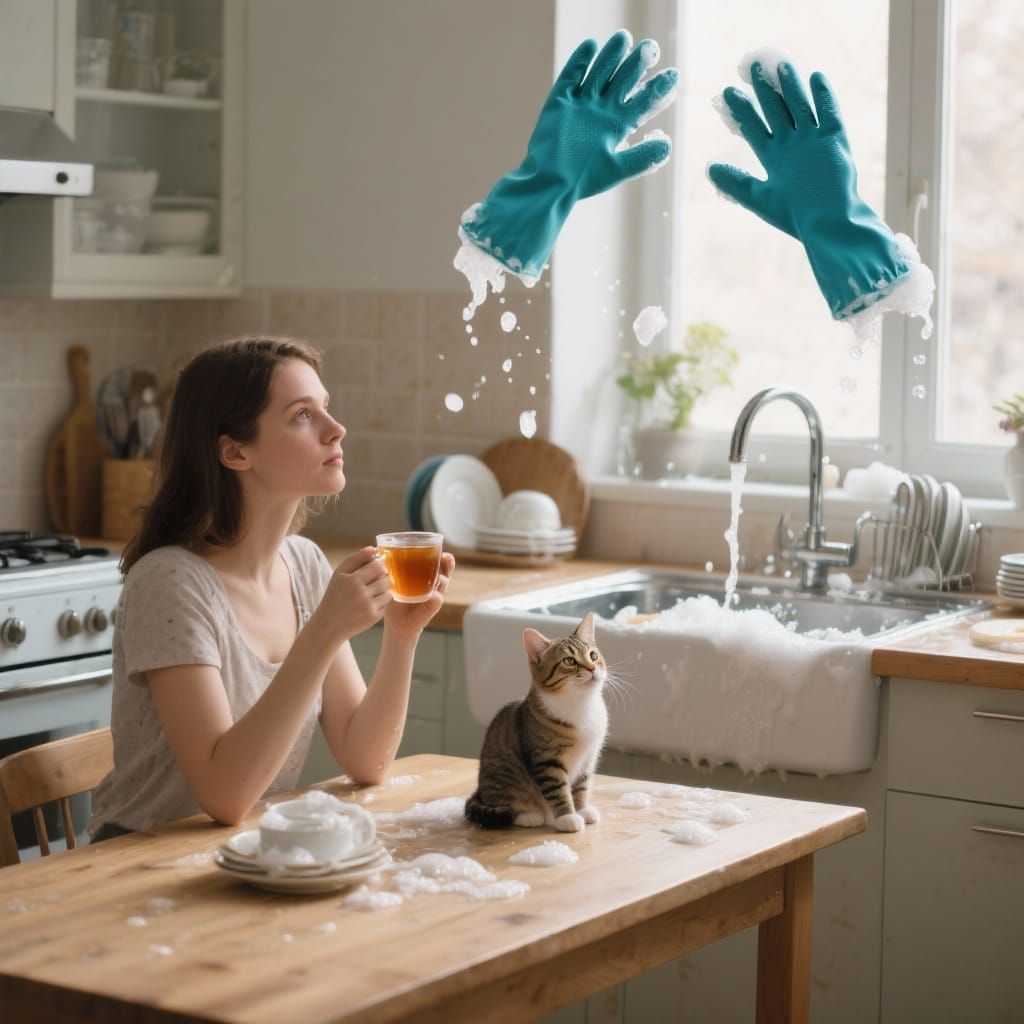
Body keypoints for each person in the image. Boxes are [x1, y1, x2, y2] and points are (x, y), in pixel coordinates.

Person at [89, 336, 454, 841]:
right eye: (303, 415)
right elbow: (224, 795)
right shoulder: (170, 583)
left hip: (235, 852)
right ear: (236, 451)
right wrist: (324, 631)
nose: (336, 429)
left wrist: (402, 633)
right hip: (131, 864)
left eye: (324, 408)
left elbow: (366, 759)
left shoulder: (303, 564)